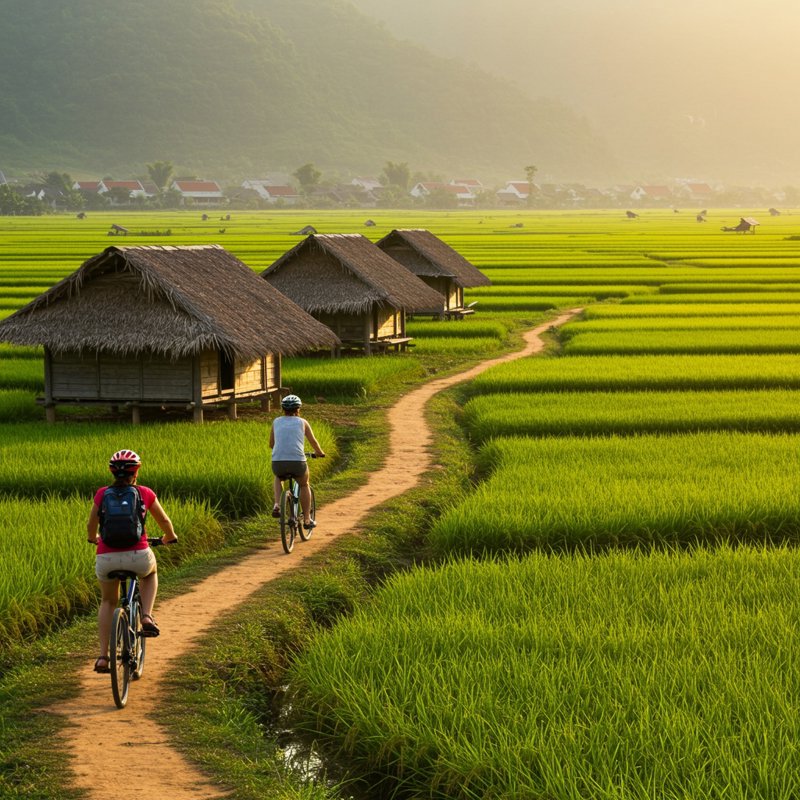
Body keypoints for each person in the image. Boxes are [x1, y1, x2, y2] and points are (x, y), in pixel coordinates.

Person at [87, 449, 177, 674]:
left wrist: (93, 538)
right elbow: (164, 521)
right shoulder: (144, 492)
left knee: (108, 601)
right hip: (138, 556)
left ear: (112, 472)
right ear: (136, 472)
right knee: (150, 573)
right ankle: (146, 615)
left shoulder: (102, 494)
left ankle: (103, 657)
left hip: (106, 558)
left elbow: (91, 525)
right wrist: (169, 537)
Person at [269, 394, 325, 528]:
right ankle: (307, 519)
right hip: (297, 462)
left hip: (278, 462)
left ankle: (277, 504)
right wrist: (319, 453)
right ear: (298, 409)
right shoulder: (302, 422)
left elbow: (271, 444)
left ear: (283, 409)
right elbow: (313, 441)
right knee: (304, 485)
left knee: (278, 477)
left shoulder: (276, 421)